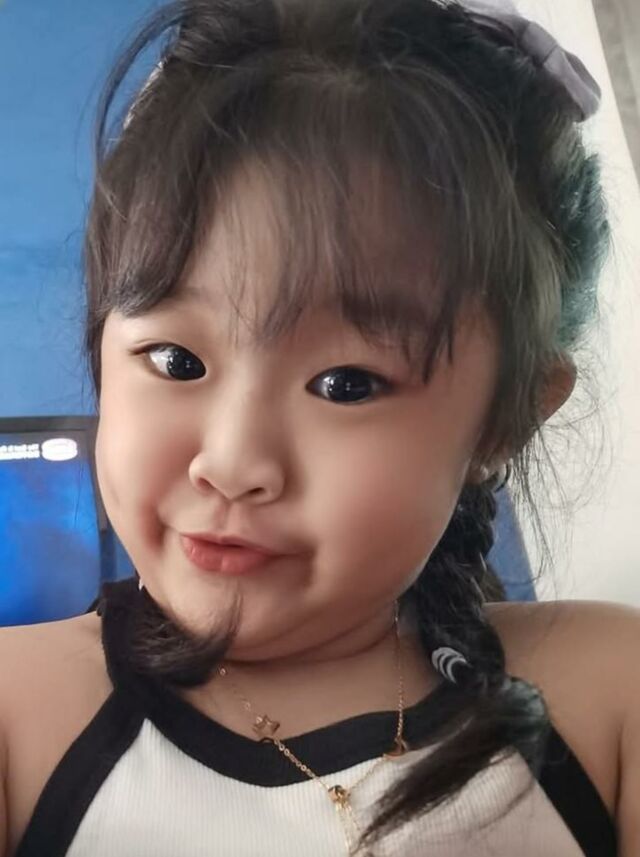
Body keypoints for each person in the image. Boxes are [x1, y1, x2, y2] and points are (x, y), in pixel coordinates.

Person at [0, 0, 638, 854]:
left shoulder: (608, 700)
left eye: (346, 384)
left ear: (505, 420)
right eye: (176, 360)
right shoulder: (19, 714)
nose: (231, 462)